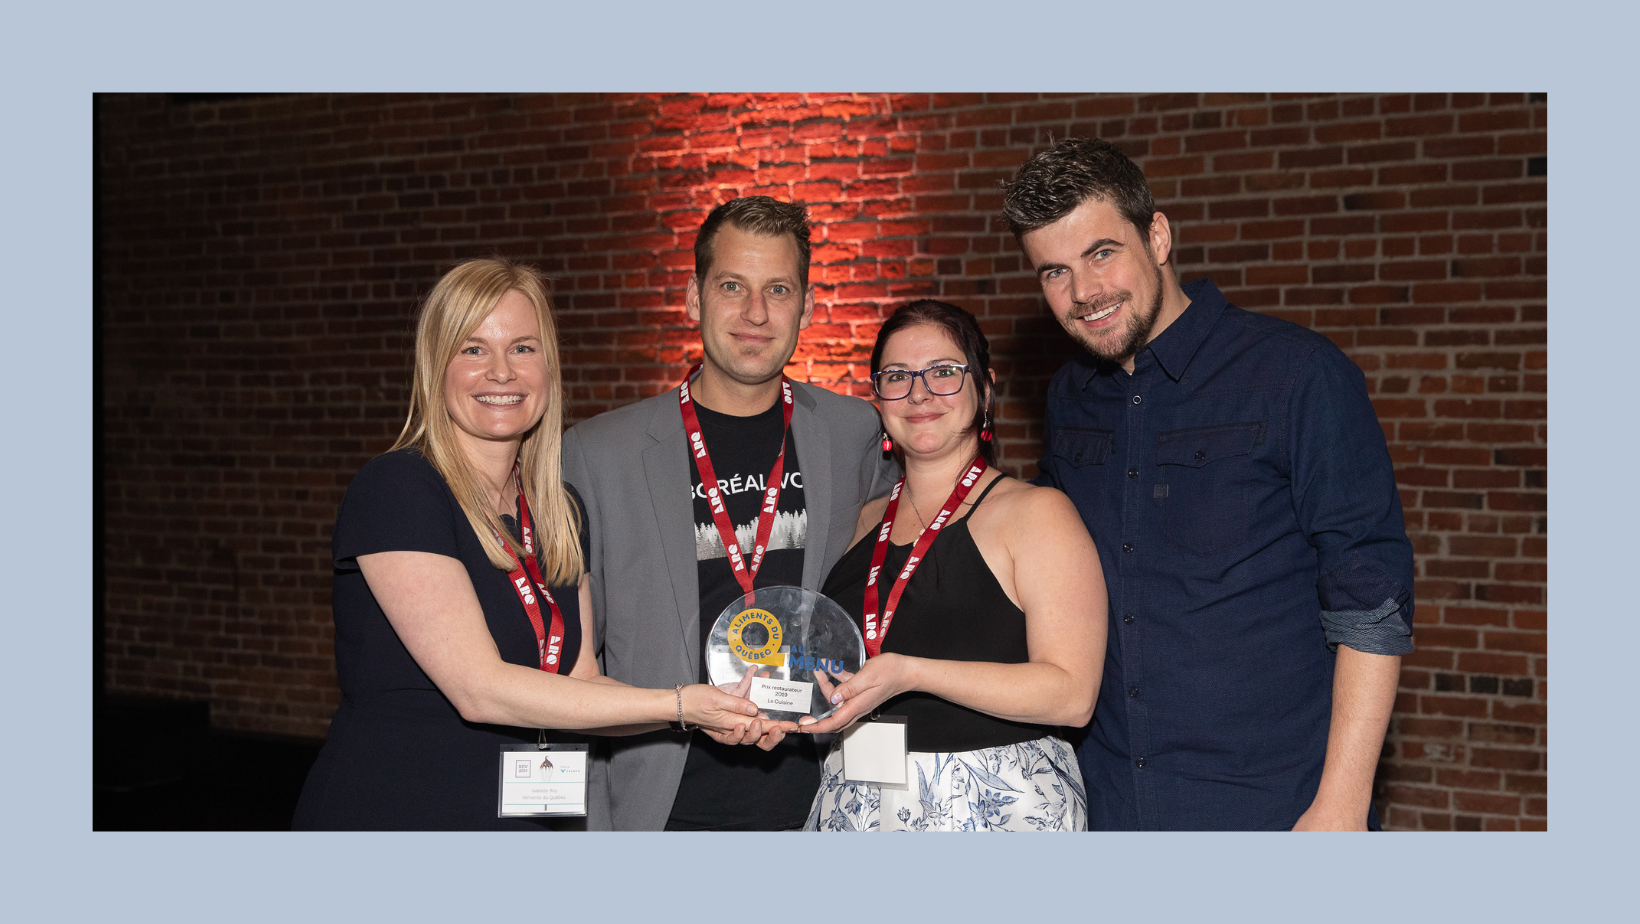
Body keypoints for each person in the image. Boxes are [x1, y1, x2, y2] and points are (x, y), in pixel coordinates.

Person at [1002, 137, 1416, 830]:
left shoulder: (1298, 375)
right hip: (1108, 801)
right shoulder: (1070, 397)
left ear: (1158, 236)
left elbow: (1370, 598)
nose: (1084, 293)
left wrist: (1343, 803)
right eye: (1054, 272)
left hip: (1273, 806)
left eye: (1102, 253)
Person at [293, 257, 771, 831]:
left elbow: (582, 684)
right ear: (436, 366)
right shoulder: (399, 489)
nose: (502, 372)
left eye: (522, 348)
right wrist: (678, 704)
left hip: (528, 825)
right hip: (400, 815)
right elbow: (479, 689)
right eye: (473, 349)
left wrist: (714, 711)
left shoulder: (559, 511)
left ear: (548, 366)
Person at [561, 197, 899, 831]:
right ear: (694, 297)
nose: (756, 313)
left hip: (821, 801)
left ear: (807, 305)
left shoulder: (856, 432)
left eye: (778, 289)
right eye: (732, 286)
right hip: (660, 806)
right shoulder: (597, 454)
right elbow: (571, 664)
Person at [797, 299, 1106, 832]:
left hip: (993, 802)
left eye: (943, 372)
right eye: (897, 376)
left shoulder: (1037, 514)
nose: (918, 393)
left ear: (984, 388)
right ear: (878, 398)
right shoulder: (861, 521)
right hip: (856, 797)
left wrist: (912, 673)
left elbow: (1073, 696)